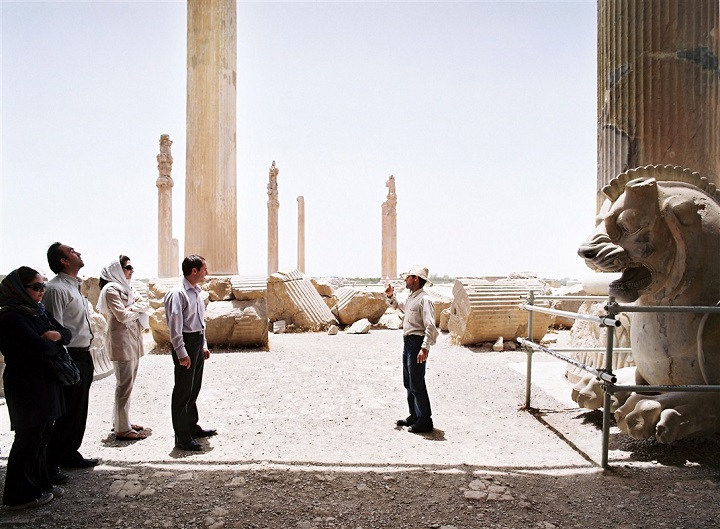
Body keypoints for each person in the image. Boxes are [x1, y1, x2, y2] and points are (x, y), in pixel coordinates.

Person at [0, 267, 69, 509]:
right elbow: (38, 348)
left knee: (42, 435)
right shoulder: (10, 317)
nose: (41, 291)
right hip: (26, 384)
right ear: (20, 289)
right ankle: (19, 495)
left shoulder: (37, 312)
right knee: (28, 436)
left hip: (44, 380)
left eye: (43, 286)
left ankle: (40, 484)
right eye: (36, 287)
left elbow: (65, 333)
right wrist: (54, 343)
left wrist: (56, 339)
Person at [43, 242, 99, 472]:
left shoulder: (74, 286)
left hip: (84, 355)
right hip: (71, 357)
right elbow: (53, 328)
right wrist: (64, 363)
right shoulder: (56, 289)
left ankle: (69, 453)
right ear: (64, 261)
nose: (78, 252)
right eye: (72, 251)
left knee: (78, 409)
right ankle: (53, 460)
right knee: (67, 411)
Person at [164, 255, 216, 451]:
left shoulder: (196, 292)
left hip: (196, 341)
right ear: (194, 271)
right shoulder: (177, 293)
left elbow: (200, 322)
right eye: (204, 269)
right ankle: (182, 438)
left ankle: (192, 426)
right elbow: (175, 327)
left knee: (194, 388)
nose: (207, 272)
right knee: (182, 392)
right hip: (185, 343)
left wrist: (203, 344)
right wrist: (182, 353)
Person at [97, 256, 150, 441]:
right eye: (128, 267)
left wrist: (133, 307)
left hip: (132, 340)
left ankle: (121, 421)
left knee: (127, 385)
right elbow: (121, 315)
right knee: (124, 386)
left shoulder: (127, 287)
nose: (132, 270)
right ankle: (122, 429)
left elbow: (146, 304)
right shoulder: (111, 289)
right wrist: (136, 308)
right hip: (122, 342)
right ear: (117, 270)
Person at [385, 265, 438, 434]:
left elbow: (430, 326)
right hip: (408, 343)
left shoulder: (425, 300)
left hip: (417, 343)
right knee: (408, 383)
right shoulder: (412, 298)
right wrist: (390, 296)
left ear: (415, 279)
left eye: (408, 277)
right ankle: (414, 415)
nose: (405, 279)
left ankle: (425, 420)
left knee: (417, 382)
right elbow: (400, 307)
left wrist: (425, 348)